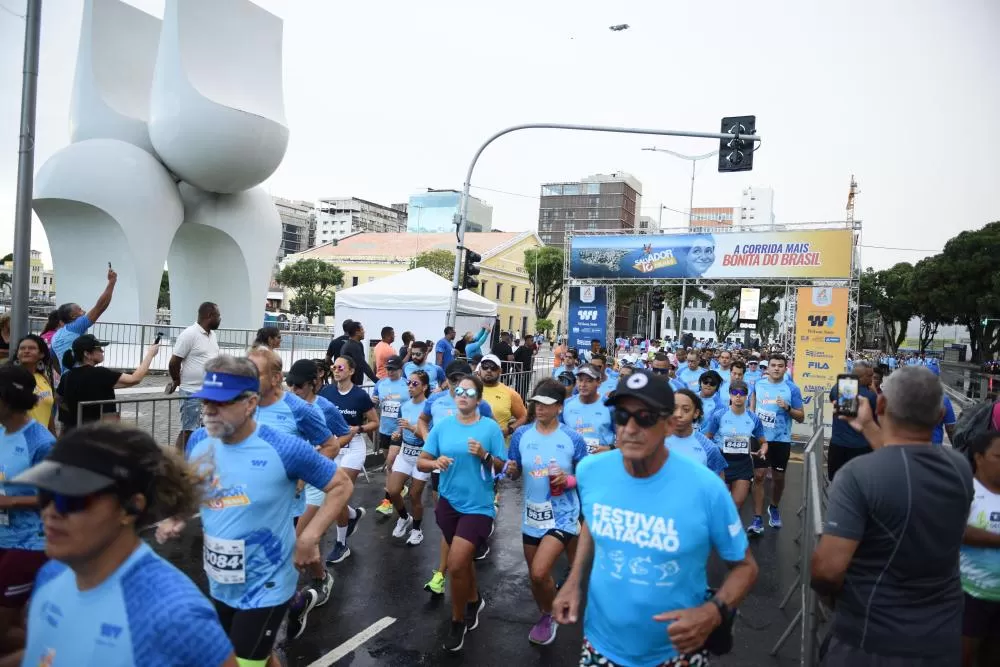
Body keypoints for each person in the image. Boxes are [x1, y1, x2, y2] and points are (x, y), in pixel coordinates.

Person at [156, 357, 355, 667]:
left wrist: (311, 536)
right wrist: (176, 516)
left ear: (249, 403)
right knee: (254, 654)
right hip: (222, 576)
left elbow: (341, 485)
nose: (209, 410)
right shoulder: (198, 440)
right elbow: (193, 487)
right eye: (206, 401)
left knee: (241, 661)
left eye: (220, 403)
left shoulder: (285, 448)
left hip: (268, 582)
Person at [552, 369, 758, 666]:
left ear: (669, 424)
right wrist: (574, 580)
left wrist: (712, 612)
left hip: (675, 652)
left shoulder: (707, 487)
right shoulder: (591, 471)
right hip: (600, 645)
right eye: (622, 416)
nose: (631, 428)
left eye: (646, 417)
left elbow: (746, 568)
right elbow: (593, 522)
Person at [11, 424, 237, 666]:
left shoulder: (176, 615)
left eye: (71, 500)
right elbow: (49, 650)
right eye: (45, 496)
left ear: (131, 507)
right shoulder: (51, 574)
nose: (50, 512)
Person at [811, 366, 974, 667]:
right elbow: (907, 461)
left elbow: (827, 571)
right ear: (940, 416)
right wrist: (868, 428)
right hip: (942, 638)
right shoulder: (959, 468)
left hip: (870, 640)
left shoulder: (858, 475)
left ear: (882, 405)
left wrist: (832, 600)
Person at [417, 374, 506, 652]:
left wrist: (485, 455)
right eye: (459, 391)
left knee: (455, 563)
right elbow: (421, 462)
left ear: (478, 399)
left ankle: (457, 621)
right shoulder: (442, 426)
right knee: (463, 559)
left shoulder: (489, 428)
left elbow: (502, 468)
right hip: (448, 504)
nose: (463, 395)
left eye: (469, 391)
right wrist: (435, 463)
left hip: (478, 506)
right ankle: (473, 598)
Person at [506, 379, 588, 646]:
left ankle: (552, 612)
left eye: (546, 405)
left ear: (560, 408)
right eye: (536, 404)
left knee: (540, 572)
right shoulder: (521, 435)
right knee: (536, 577)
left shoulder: (572, 439)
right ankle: (546, 613)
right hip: (533, 513)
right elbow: (515, 468)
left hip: (563, 513)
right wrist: (510, 470)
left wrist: (569, 480)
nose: (539, 409)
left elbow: (586, 475)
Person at [419, 361, 496, 595]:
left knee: (462, 529)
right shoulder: (435, 400)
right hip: (441, 470)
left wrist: (485, 454)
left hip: (474, 479)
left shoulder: (481, 407)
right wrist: (429, 442)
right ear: (447, 381)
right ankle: (448, 571)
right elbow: (423, 421)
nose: (457, 386)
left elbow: (491, 432)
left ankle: (445, 571)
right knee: (448, 526)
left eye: (461, 380)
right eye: (453, 380)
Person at [0, 366, 55, 655]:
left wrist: (13, 502)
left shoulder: (41, 442)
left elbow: (60, 496)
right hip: (2, 536)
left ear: (6, 400)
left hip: (29, 543)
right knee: (13, 619)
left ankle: (69, 653)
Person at [318, 355, 378, 563]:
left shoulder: (360, 396)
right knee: (333, 496)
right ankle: (353, 515)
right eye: (334, 367)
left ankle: (341, 544)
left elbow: (374, 423)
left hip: (353, 447)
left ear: (351, 371)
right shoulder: (326, 392)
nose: (336, 370)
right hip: (332, 446)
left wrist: (358, 428)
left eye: (340, 367)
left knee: (338, 495)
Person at [747, 353, 804, 534]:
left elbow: (801, 417)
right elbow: (752, 406)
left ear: (785, 368)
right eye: (773, 365)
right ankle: (757, 518)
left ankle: (774, 506)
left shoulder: (792, 389)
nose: (776, 368)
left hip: (781, 439)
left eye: (780, 365)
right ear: (768, 367)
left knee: (778, 479)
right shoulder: (758, 384)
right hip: (761, 438)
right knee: (759, 476)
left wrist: (787, 407)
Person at [57, 334, 159, 431]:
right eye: (98, 349)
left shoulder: (67, 376)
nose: (102, 351)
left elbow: (59, 399)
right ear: (87, 354)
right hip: (100, 432)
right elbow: (135, 379)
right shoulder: (100, 373)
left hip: (76, 432)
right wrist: (150, 354)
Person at [960, 432, 1000, 667]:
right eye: (999, 456)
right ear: (979, 458)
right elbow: (957, 530)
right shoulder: (965, 491)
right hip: (970, 596)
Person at [703, 381, 767, 511]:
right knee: (720, 504)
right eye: (735, 393)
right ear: (730, 395)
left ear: (746, 396)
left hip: (743, 464)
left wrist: (763, 450)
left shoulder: (753, 418)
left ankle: (729, 529)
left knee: (736, 504)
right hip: (722, 463)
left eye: (742, 393)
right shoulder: (719, 415)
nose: (738, 396)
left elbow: (763, 442)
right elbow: (707, 438)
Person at [167, 301, 222, 451]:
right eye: (218, 315)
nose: (220, 319)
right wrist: (176, 380)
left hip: (209, 392)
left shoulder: (213, 335)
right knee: (189, 430)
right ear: (209, 316)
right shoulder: (189, 334)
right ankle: (176, 463)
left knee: (206, 429)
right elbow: (174, 362)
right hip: (192, 391)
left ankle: (199, 460)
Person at [385, 369, 431, 546]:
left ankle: (417, 530)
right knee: (393, 490)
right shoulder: (404, 405)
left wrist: (412, 428)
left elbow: (430, 437)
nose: (410, 387)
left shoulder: (428, 408)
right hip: (405, 453)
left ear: (425, 386)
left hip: (422, 455)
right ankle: (405, 518)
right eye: (408, 383)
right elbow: (399, 427)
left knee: (414, 495)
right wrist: (397, 434)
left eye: (415, 383)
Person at [51, 266, 117, 372]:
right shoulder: (76, 326)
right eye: (80, 310)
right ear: (73, 316)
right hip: (80, 379)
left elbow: (54, 361)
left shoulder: (56, 336)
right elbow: (100, 307)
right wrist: (112, 282)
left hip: (67, 380)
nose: (84, 312)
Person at [827, 361, 878, 481]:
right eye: (870, 376)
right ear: (861, 377)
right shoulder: (869, 396)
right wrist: (874, 390)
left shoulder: (837, 388)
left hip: (837, 445)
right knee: (858, 483)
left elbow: (831, 398)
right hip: (860, 448)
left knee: (835, 481)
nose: (872, 379)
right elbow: (878, 416)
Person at [373, 355, 410, 516]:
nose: (390, 372)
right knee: (390, 464)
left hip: (399, 429)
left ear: (400, 369)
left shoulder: (407, 384)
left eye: (393, 369)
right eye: (388, 369)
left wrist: (404, 427)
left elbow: (413, 405)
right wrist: (373, 401)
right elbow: (375, 401)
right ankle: (400, 487)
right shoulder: (380, 384)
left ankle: (387, 500)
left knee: (391, 461)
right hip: (385, 429)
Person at [666, 389, 728, 478]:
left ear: (696, 413)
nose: (678, 414)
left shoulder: (709, 448)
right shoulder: (655, 441)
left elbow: (718, 485)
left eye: (686, 410)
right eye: (674, 408)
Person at [561, 365, 615, 455]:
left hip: (600, 461)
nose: (583, 385)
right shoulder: (566, 404)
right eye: (580, 380)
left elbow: (624, 439)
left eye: (589, 381)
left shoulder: (610, 406)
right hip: (574, 462)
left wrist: (610, 448)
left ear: (599, 382)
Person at [11, 334, 58, 436]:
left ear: (41, 354)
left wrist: (54, 439)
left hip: (42, 441)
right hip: (18, 440)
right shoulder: (10, 377)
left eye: (32, 348)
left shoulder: (44, 378)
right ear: (18, 353)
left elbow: (48, 413)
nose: (26, 351)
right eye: (22, 348)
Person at [478, 354, 527, 441]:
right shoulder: (469, 390)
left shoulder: (510, 393)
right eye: (485, 367)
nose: (489, 370)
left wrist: (510, 429)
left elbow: (524, 417)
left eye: (493, 368)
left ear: (500, 371)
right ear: (479, 370)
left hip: (499, 447)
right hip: (471, 445)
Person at [340, 321, 376, 387]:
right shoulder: (352, 346)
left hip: (355, 383)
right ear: (357, 332)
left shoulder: (357, 344)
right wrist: (377, 381)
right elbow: (363, 365)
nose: (364, 331)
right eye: (362, 329)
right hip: (351, 384)